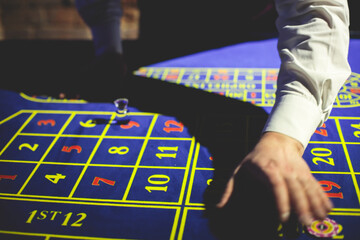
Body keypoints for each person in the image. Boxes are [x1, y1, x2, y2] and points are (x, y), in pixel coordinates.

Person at [75, 0, 351, 226]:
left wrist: (283, 138)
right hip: (168, 28)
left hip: (256, 23)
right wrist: (108, 48)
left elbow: (315, 13)